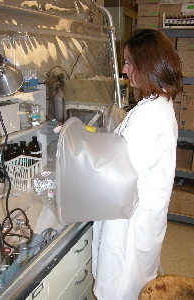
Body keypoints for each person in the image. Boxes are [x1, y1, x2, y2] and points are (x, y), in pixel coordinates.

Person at [92, 29, 183, 300]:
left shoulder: (149, 115)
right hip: (143, 216)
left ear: (147, 65)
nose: (124, 68)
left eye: (129, 61)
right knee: (135, 282)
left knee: (120, 288)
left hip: (132, 222)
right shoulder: (159, 103)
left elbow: (117, 170)